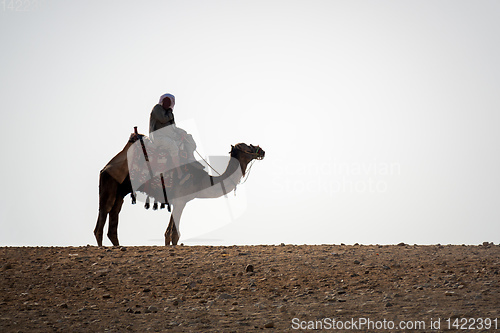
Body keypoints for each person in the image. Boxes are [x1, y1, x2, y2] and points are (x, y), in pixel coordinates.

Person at [149, 93, 190, 184]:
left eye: (169, 102)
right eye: (166, 101)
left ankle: (190, 163)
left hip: (167, 137)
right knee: (173, 145)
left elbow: (173, 128)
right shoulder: (157, 109)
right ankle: (179, 174)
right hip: (157, 137)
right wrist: (170, 113)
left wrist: (182, 132)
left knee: (187, 141)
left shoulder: (169, 113)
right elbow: (163, 119)